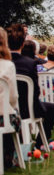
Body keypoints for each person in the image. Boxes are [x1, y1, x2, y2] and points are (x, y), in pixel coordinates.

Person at [7, 24, 54, 148]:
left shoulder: (4, 63)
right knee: (53, 108)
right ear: (22, 44)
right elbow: (36, 92)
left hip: (5, 108)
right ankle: (40, 144)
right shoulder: (30, 64)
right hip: (26, 109)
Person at [0, 27, 21, 168]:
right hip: (2, 117)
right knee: (14, 115)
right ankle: (8, 158)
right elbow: (13, 98)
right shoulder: (8, 65)